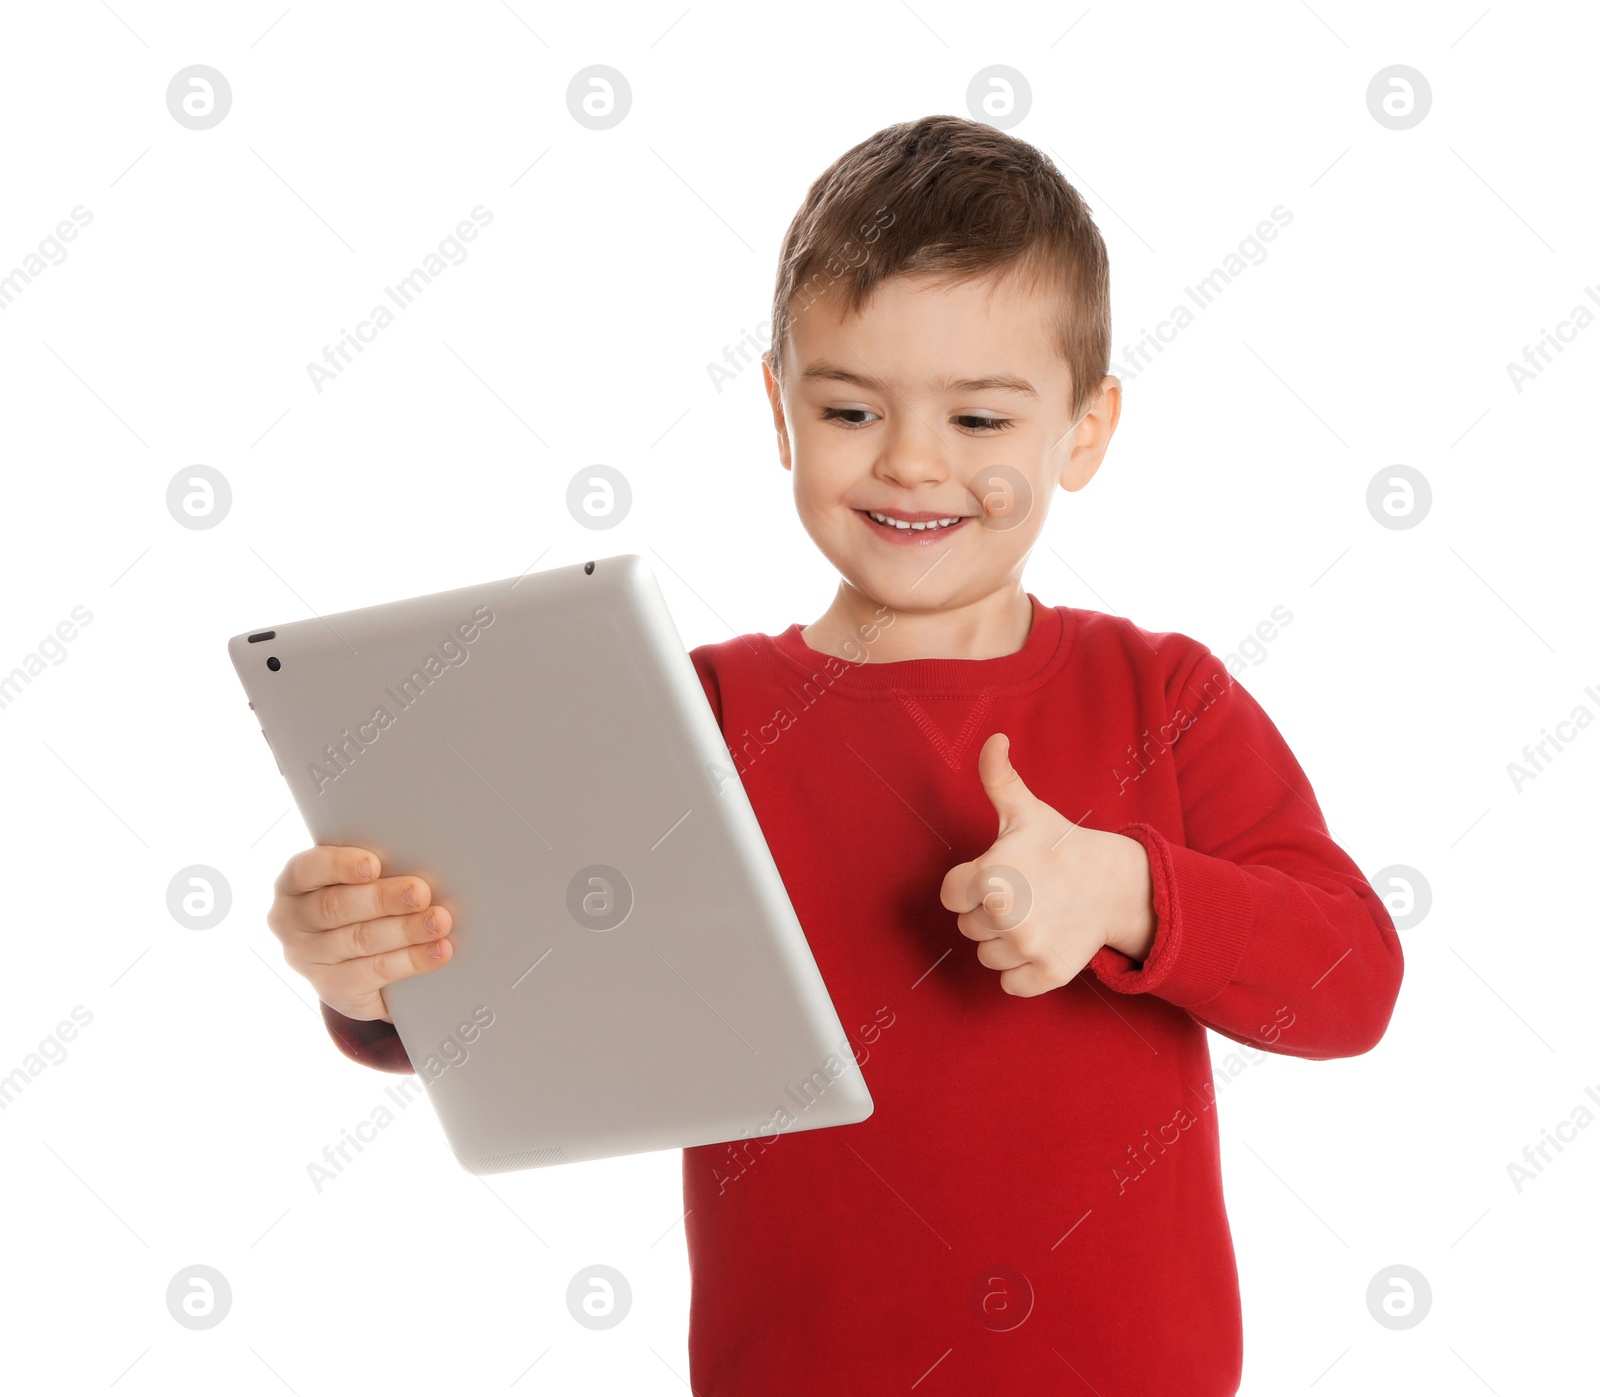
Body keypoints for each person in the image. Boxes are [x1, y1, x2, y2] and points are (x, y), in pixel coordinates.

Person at [264, 113, 1404, 1395]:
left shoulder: (1164, 693)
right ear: (778, 409)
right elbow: (538, 995)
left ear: (1083, 430)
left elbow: (1352, 981)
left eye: (980, 417)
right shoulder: (684, 712)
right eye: (852, 406)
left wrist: (1130, 891)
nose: (913, 460)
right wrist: (371, 973)